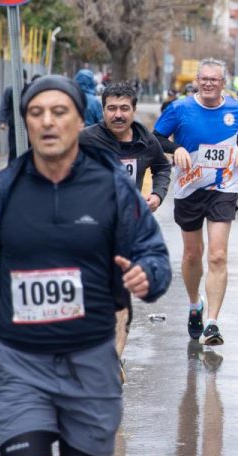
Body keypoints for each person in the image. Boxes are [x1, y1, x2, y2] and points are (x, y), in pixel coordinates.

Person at [0, 75, 171, 456]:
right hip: (23, 358)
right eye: (37, 113)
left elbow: (153, 253)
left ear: (77, 120)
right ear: (25, 122)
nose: (48, 122)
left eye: (59, 112)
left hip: (92, 358)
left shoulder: (111, 187)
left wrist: (147, 274)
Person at [153, 58, 238, 345]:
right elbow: (156, 137)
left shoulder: (236, 108)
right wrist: (176, 148)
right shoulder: (180, 108)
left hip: (224, 186)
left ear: (223, 82)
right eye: (204, 79)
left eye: (215, 79)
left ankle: (212, 323)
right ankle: (195, 304)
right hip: (189, 187)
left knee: (218, 255)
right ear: (197, 80)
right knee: (192, 254)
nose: (209, 83)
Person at [79, 81, 172, 360]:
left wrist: (156, 195)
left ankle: (114, 359)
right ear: (103, 111)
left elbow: (162, 167)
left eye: (123, 109)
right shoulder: (86, 139)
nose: (117, 115)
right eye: (111, 109)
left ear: (133, 110)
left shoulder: (146, 142)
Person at [0, 69, 29, 163]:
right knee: (13, 150)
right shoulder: (11, 90)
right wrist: (3, 121)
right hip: (14, 125)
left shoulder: (28, 89)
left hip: (27, 125)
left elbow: (4, 106)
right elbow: (4, 106)